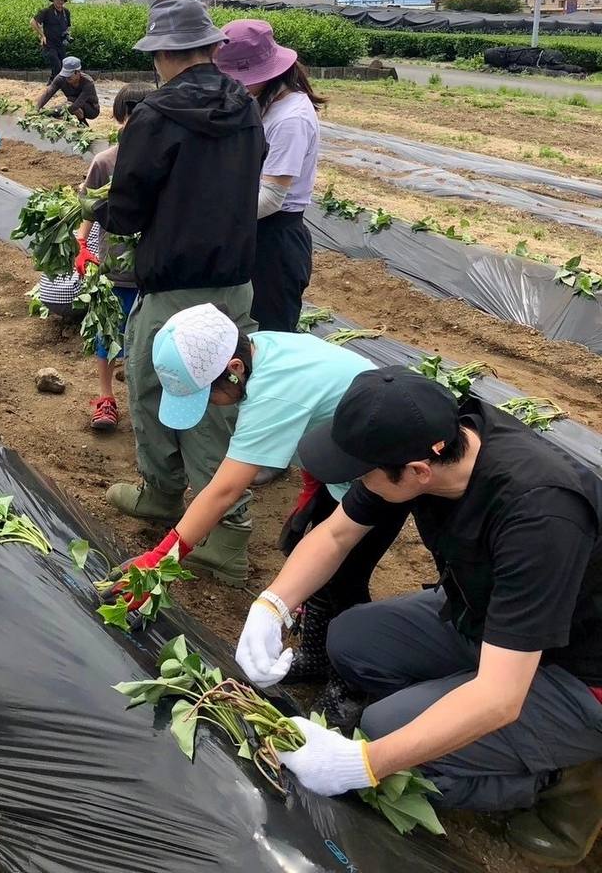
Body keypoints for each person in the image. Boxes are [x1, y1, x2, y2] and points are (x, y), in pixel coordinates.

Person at [235, 365, 602, 866]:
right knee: (351, 639)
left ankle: (561, 774)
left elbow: (499, 698)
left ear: (418, 473)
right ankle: (458, 702)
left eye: (363, 473)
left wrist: (364, 764)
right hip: (495, 623)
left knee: (388, 733)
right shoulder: (427, 442)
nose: (356, 482)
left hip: (580, 670)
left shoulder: (539, 513)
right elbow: (337, 534)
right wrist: (272, 604)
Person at [111, 303, 404, 718]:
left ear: (232, 367)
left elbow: (224, 490)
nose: (211, 405)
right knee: (311, 555)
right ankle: (319, 657)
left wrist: (159, 562)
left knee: (344, 576)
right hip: (346, 467)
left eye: (208, 393)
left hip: (390, 476)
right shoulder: (262, 349)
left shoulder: (273, 393)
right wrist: (313, 487)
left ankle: (351, 683)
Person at [91, 0, 265, 584]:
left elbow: (131, 204)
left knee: (154, 384)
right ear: (213, 49)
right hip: (235, 279)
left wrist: (104, 214)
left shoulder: (156, 116)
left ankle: (199, 517)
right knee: (223, 393)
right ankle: (199, 510)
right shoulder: (244, 107)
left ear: (163, 54)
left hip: (175, 283)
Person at [214, 20, 322, 333]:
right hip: (250, 231)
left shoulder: (291, 118)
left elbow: (272, 199)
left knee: (268, 338)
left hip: (274, 241)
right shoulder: (263, 105)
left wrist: (212, 216)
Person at [73, 83, 151, 431]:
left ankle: (146, 404)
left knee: (145, 340)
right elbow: (88, 210)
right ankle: (106, 398)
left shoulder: (165, 162)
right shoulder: (105, 162)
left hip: (154, 271)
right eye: (127, 117)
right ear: (118, 118)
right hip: (115, 267)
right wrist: (82, 245)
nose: (132, 124)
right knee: (107, 334)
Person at [36, 56, 101, 123]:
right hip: (72, 103)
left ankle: (83, 124)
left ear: (77, 72)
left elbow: (78, 103)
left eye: (69, 76)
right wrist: (37, 108)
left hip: (91, 109)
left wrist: (55, 112)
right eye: (65, 75)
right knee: (69, 102)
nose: (66, 78)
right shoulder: (61, 78)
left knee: (70, 103)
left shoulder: (88, 82)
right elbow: (49, 92)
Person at [31, 0, 71, 81]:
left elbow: (68, 27)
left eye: (61, 0)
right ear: (53, 0)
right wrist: (42, 35)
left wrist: (67, 35)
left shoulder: (66, 12)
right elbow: (33, 22)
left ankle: (52, 82)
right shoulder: (46, 11)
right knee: (57, 65)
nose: (59, 2)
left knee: (62, 64)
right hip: (49, 43)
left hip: (61, 43)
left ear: (64, 1)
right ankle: (59, 85)